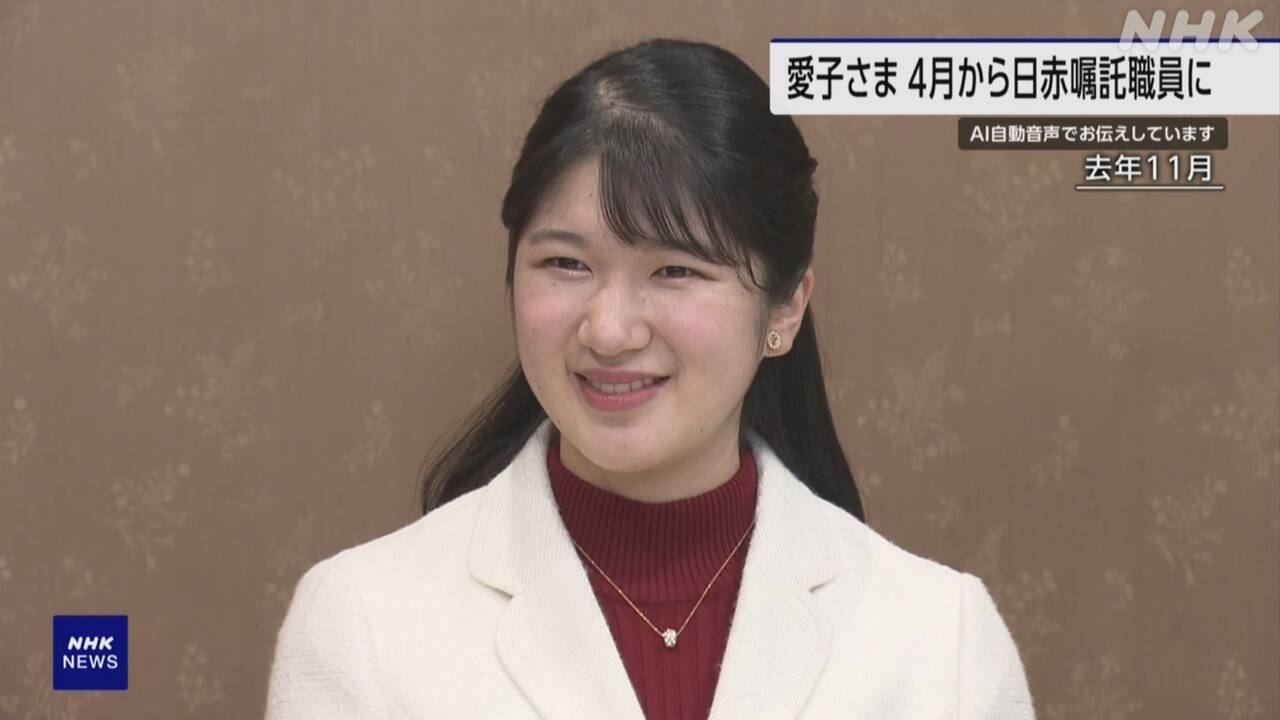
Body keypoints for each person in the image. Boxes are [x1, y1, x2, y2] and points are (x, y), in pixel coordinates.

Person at [265, 37, 1035, 720]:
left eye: (674, 270)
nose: (609, 330)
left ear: (786, 306)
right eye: (565, 263)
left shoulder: (942, 642)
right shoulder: (362, 623)